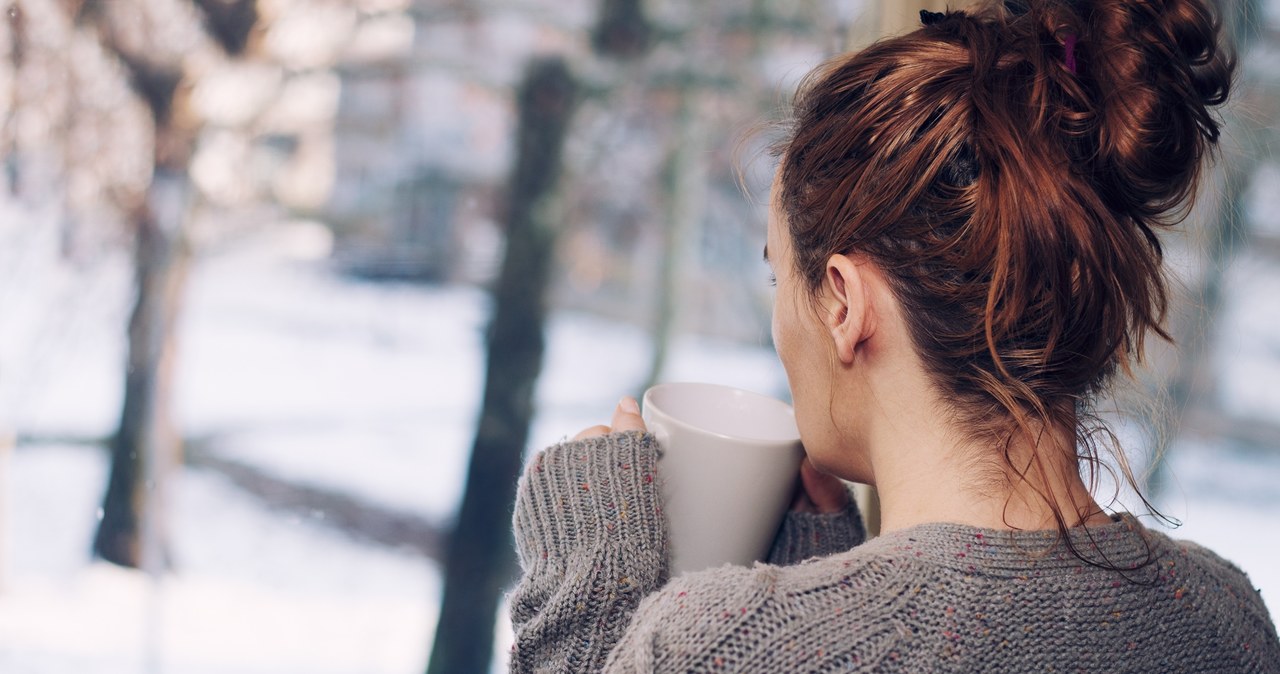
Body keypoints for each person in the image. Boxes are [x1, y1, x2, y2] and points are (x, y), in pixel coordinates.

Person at [507, 0, 1280, 671]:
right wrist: (828, 585)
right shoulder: (1227, 617)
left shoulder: (705, 650)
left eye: (782, 276)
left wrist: (591, 610)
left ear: (843, 303)